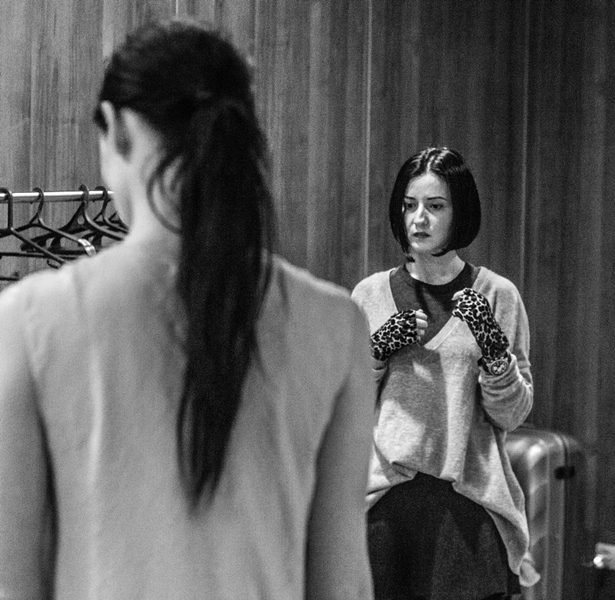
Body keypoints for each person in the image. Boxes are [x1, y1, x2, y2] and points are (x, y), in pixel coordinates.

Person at [0, 18, 374, 600]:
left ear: (116, 128)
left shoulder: (29, 320)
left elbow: (12, 580)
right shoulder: (338, 326)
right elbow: (342, 583)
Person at [351, 147, 538, 600]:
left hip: (470, 504)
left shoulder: (498, 295)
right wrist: (374, 354)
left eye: (435, 206)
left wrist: (493, 350)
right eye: (409, 205)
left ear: (460, 213)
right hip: (384, 507)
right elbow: (345, 408)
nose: (419, 219)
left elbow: (512, 415)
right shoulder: (370, 295)